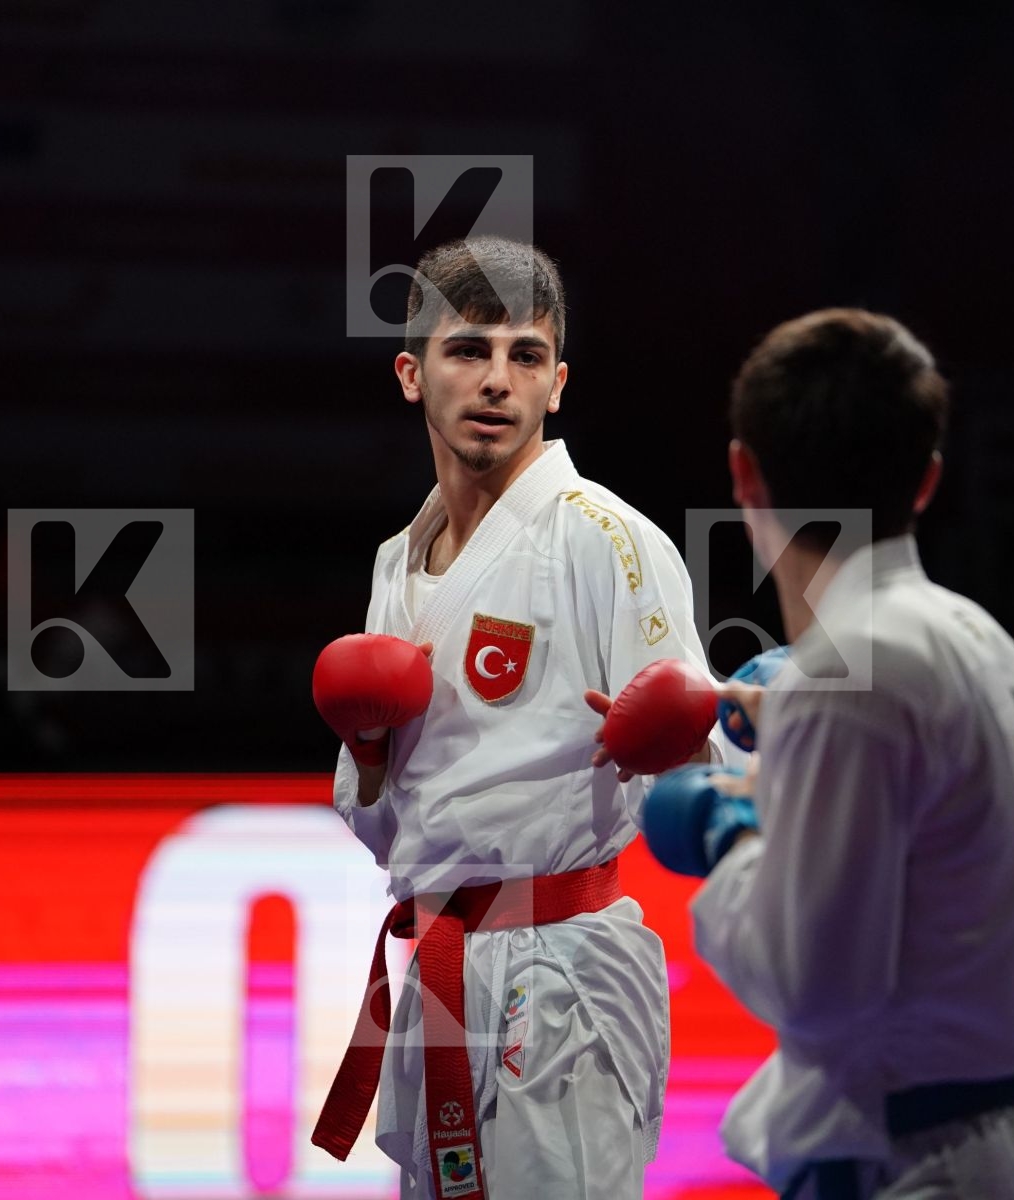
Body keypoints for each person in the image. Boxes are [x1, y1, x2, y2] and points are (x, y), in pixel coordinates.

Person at [626, 309, 1014, 1197]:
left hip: (941, 1161)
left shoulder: (851, 672)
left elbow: (820, 991)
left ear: (742, 473)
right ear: (925, 480)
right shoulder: (977, 638)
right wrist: (790, 752)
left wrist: (731, 832)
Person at [307, 236, 733, 1200]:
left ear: (558, 383)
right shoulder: (396, 563)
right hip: (444, 961)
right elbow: (387, 832)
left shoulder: (608, 540)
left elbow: (706, 767)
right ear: (413, 375)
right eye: (469, 351)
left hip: (566, 970)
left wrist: (672, 745)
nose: (498, 380)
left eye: (525, 356)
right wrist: (368, 755)